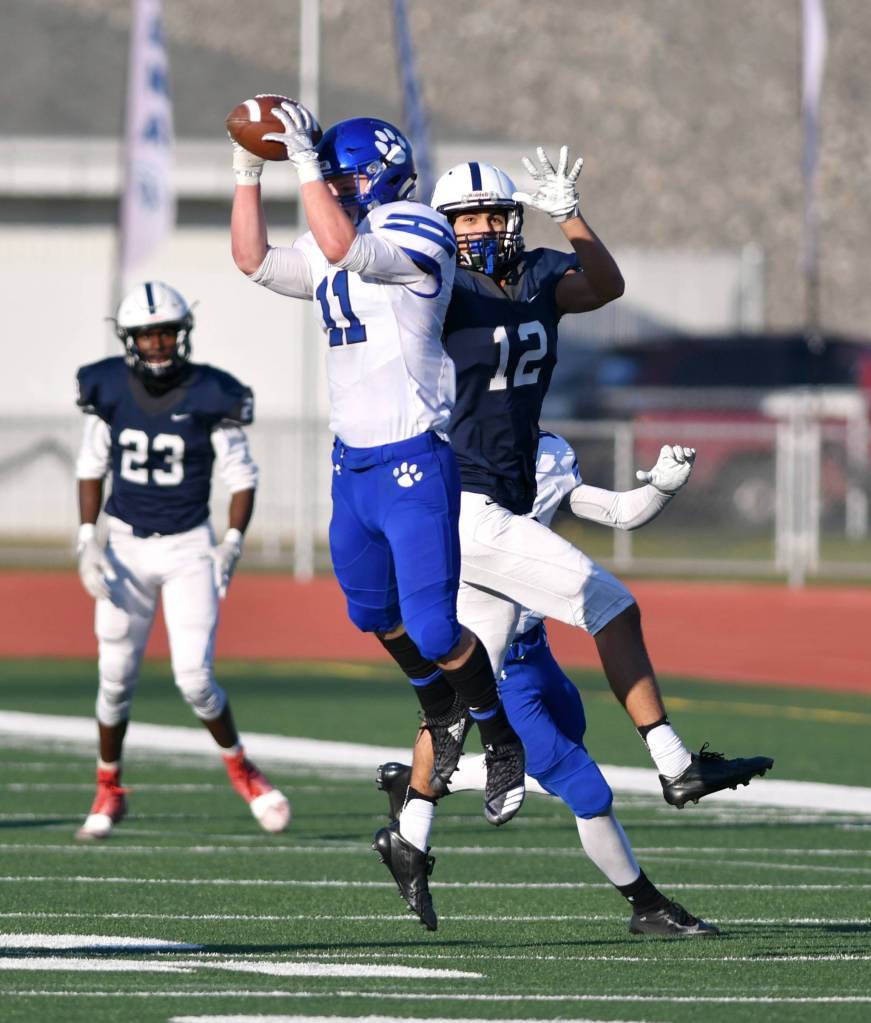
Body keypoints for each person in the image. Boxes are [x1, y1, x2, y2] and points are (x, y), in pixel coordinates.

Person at [371, 152, 771, 924]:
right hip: (465, 500)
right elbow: (380, 277)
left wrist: (572, 214)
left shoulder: (540, 275)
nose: (486, 229)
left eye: (497, 214)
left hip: (504, 503)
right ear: (444, 228)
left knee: (458, 694)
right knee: (611, 604)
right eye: (469, 218)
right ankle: (674, 762)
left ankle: (409, 831)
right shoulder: (436, 287)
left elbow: (606, 286)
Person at [229, 103, 526, 825]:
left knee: (431, 626)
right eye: (329, 177)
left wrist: (303, 167)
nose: (332, 186)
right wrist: (246, 170)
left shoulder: (415, 223)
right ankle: (438, 709)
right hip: (352, 467)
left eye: (342, 176)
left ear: (379, 174)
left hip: (412, 461)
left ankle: (497, 731)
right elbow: (255, 261)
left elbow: (345, 250)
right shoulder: (340, 228)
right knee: (370, 613)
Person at [377, 431, 722, 936]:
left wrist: (661, 490)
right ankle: (647, 905)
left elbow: (619, 512)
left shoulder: (550, 451)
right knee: (587, 791)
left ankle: (423, 778)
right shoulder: (450, 457)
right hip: (493, 665)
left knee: (565, 755)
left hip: (537, 650)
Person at [74, 280, 289, 840]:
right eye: (147, 336)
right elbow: (90, 465)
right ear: (129, 341)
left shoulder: (211, 392)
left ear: (183, 334)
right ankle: (109, 787)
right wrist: (85, 537)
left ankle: (244, 772)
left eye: (166, 333)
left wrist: (232, 542)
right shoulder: (108, 389)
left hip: (190, 545)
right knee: (114, 675)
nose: (158, 346)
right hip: (123, 541)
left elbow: (242, 477)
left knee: (195, 678)